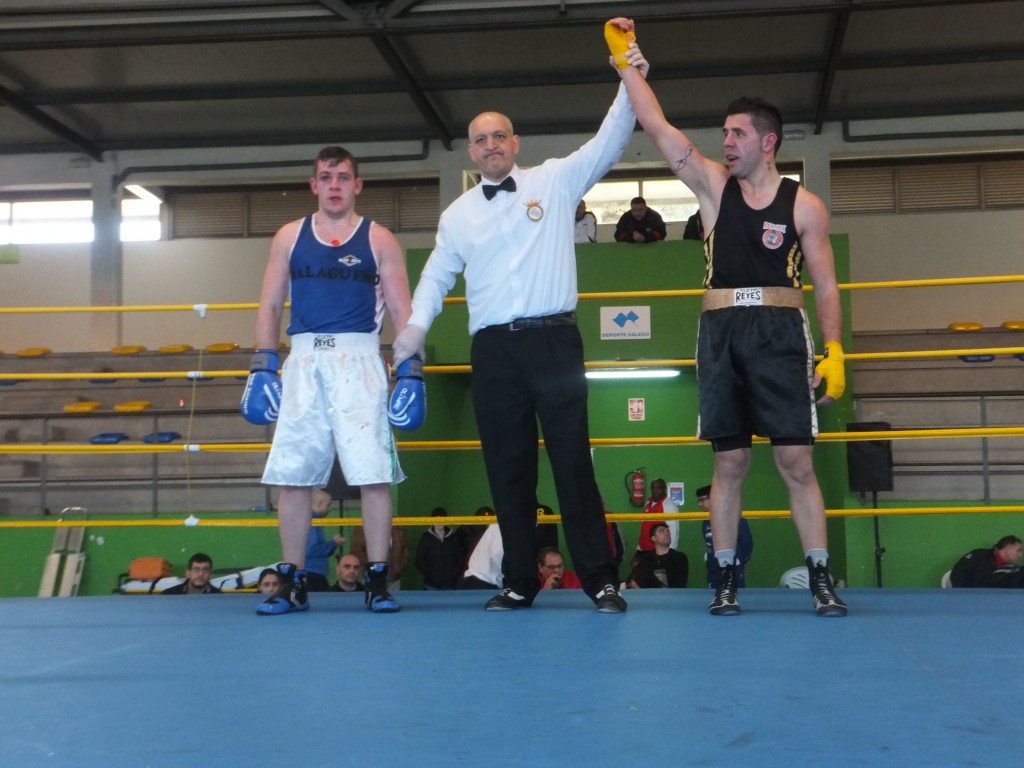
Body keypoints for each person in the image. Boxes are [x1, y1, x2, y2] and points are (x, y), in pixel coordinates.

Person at [391, 25, 642, 614]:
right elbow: (433, 279)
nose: (491, 144)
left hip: (555, 341)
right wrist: (412, 332)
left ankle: (601, 578)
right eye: (480, 139)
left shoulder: (554, 180)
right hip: (494, 353)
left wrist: (626, 67)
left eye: (499, 135)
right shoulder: (456, 217)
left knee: (573, 462)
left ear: (515, 142)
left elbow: (610, 139)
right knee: (508, 471)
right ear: (471, 151)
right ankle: (518, 581)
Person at [615, 22, 847, 616]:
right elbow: (660, 129)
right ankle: (725, 579)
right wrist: (626, 65)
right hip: (721, 333)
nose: (728, 142)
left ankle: (821, 577)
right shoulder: (715, 189)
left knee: (796, 461)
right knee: (730, 462)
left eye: (738, 133)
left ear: (768, 141)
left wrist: (835, 351)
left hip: (780, 333)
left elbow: (825, 281)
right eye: (724, 133)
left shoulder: (805, 205)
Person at [246, 145, 412, 616]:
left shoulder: (379, 239)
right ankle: (292, 582)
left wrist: (410, 369)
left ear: (357, 185)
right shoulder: (288, 237)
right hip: (303, 361)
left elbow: (402, 309)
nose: (335, 184)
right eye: (326, 176)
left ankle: (377, 581)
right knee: (294, 477)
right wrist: (262, 362)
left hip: (359, 360)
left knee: (374, 475)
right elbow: (271, 304)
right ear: (313, 184)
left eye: (343, 176)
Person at [696, 484, 753, 588]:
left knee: (735, 595)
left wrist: (738, 561)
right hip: (713, 568)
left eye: (702, 500)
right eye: (698, 501)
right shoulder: (705, 522)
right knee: (714, 596)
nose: (700, 504)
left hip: (733, 567)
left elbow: (747, 543)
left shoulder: (734, 517)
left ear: (713, 497)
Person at [305, 488, 345, 591]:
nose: (330, 509)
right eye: (328, 505)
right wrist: (333, 543)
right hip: (312, 575)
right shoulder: (311, 522)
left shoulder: (314, 521)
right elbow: (311, 550)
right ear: (319, 504)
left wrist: (333, 545)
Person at [350, 523, 409, 593]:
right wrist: (372, 569)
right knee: (371, 601)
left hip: (393, 576)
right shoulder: (362, 525)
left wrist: (398, 568)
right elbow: (357, 551)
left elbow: (404, 548)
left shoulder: (397, 523)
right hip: (372, 576)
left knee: (393, 601)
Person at [415, 507, 464, 590]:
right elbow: (419, 560)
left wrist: (454, 575)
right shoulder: (426, 538)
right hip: (431, 585)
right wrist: (430, 575)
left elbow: (460, 558)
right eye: (436, 519)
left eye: (442, 519)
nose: (439, 522)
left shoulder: (453, 538)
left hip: (451, 585)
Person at [950, 535, 1024, 588]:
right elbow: (958, 573)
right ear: (1008, 548)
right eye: (1018, 550)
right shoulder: (978, 556)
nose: (1020, 555)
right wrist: (962, 596)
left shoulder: (1014, 570)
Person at [634, 477, 679, 559]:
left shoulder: (669, 507)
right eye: (653, 488)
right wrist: (639, 550)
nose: (655, 491)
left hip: (658, 553)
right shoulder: (648, 503)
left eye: (658, 488)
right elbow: (644, 527)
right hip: (644, 551)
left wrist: (669, 556)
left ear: (665, 489)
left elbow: (673, 533)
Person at [633, 522, 688, 587]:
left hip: (673, 595)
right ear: (653, 538)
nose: (667, 533)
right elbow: (636, 581)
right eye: (661, 531)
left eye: (668, 531)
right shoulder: (646, 559)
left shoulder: (679, 558)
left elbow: (679, 584)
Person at [458, 522, 504, 591]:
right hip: (481, 582)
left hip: (480, 580)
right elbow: (497, 553)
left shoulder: (498, 524)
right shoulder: (502, 525)